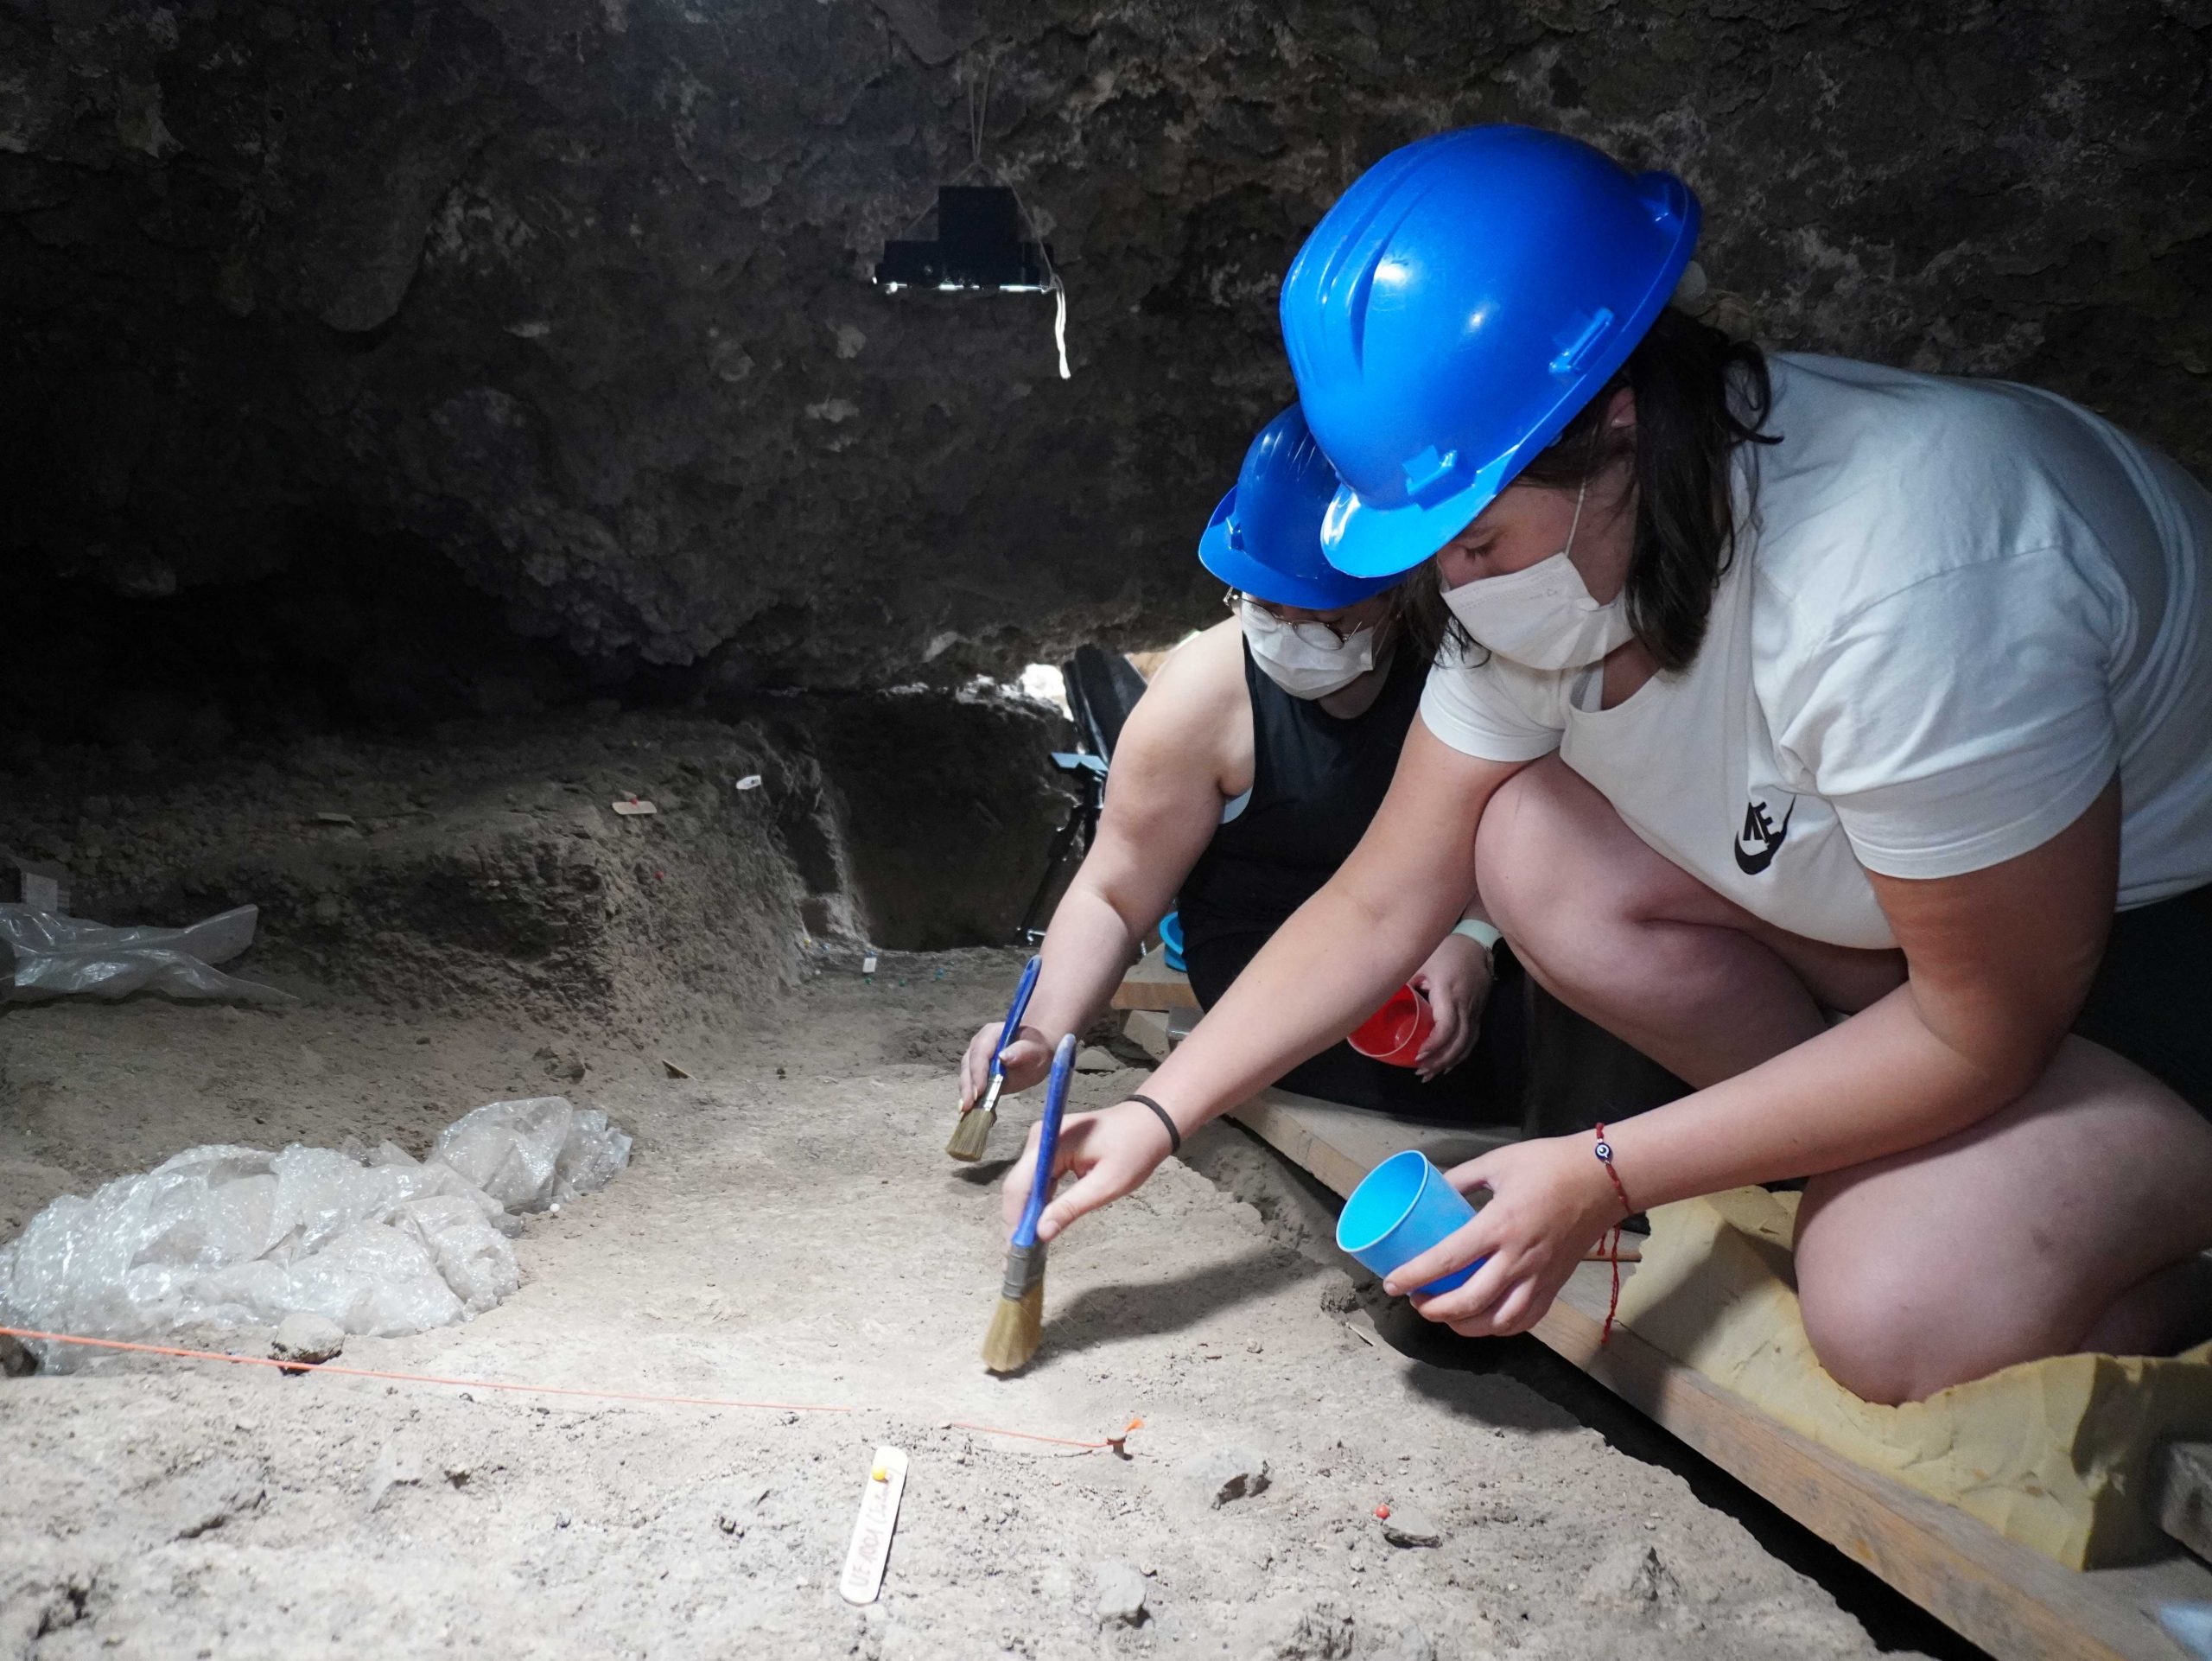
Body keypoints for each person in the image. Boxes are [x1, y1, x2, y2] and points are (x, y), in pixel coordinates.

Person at [1002, 124, 2212, 1405]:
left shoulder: (1909, 583)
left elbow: (1983, 1023)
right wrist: (1159, 1113)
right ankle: (1879, 1149)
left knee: (1888, 1312)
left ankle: (2102, 1209)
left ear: (1616, 424)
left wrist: (1604, 1169)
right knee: (1525, 837)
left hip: (2144, 965)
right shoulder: (1579, 545)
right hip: (1926, 941)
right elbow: (1378, 897)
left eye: (1475, 537)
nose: (1454, 583)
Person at [958, 404, 1512, 1125]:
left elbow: (1526, 827)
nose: (1289, 632)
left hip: (1445, 938)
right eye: (1265, 605)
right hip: (1273, 974)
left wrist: (1475, 935)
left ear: (1401, 590)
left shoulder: (1470, 663)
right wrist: (1039, 1030)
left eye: (1326, 620)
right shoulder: (1200, 699)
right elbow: (1115, 893)